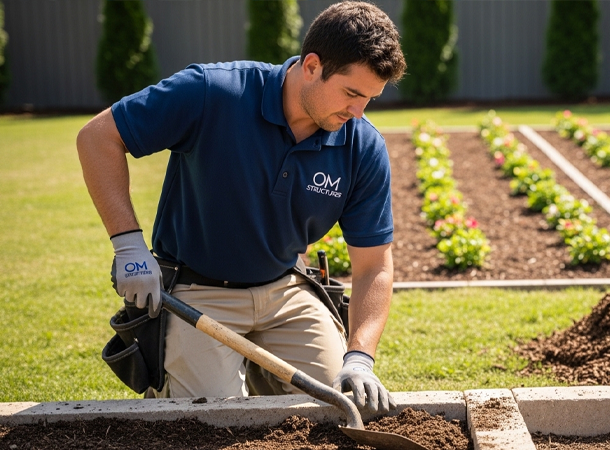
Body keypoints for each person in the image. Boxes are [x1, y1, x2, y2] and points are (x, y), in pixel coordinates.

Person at [76, 1, 406, 414]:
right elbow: (97, 138)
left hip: (286, 290)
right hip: (199, 294)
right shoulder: (212, 92)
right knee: (208, 419)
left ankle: (272, 375)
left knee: (340, 405)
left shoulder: (362, 145)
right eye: (352, 93)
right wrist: (127, 245)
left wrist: (359, 357)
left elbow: (374, 265)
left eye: (369, 99)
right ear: (311, 66)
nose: (358, 112)